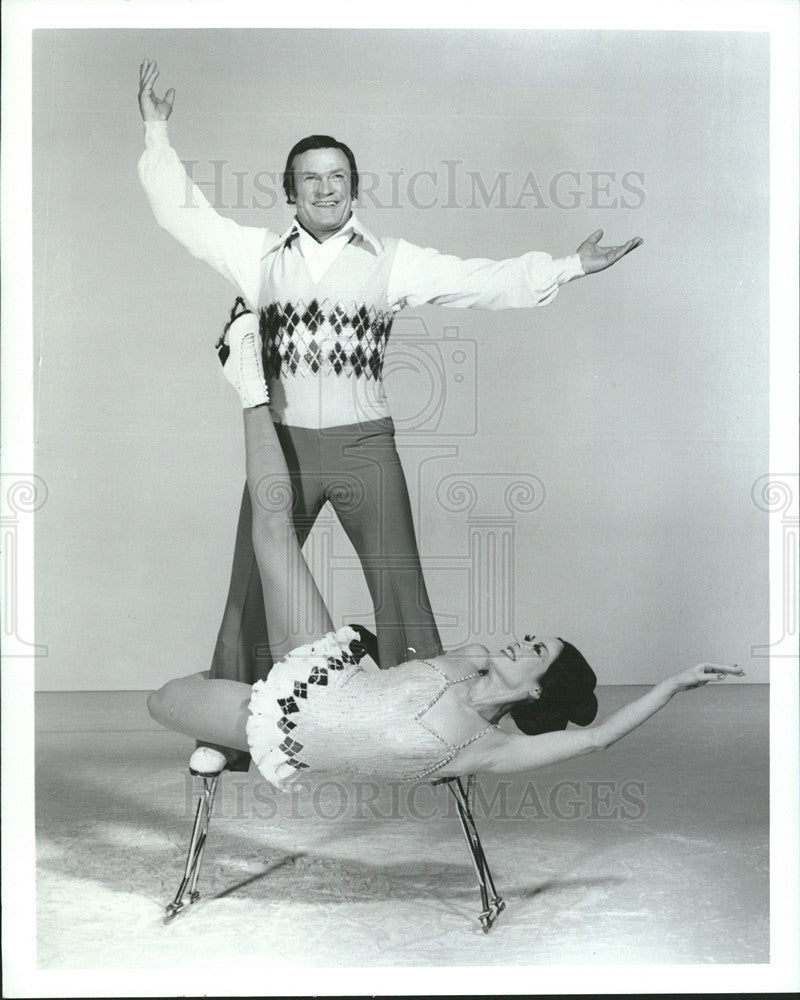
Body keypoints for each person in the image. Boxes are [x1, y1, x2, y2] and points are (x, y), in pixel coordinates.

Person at [136, 59, 644, 692]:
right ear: (289, 193)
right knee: (253, 580)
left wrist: (569, 265)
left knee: (399, 585)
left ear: (355, 187)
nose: (325, 189)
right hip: (282, 447)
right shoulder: (254, 254)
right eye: (310, 179)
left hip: (364, 447)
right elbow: (183, 217)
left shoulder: (393, 262)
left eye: (338, 177)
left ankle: (431, 720)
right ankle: (234, 726)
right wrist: (157, 130)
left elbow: (477, 280)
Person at [146, 311, 742, 787]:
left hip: (285, 724)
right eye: (534, 635)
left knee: (162, 701)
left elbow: (595, 738)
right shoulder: (468, 657)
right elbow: (394, 658)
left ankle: (231, 693)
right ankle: (250, 383)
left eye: (535, 648)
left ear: (536, 688)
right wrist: (360, 646)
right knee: (270, 534)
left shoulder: (490, 749)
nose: (521, 639)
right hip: (322, 670)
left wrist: (675, 682)